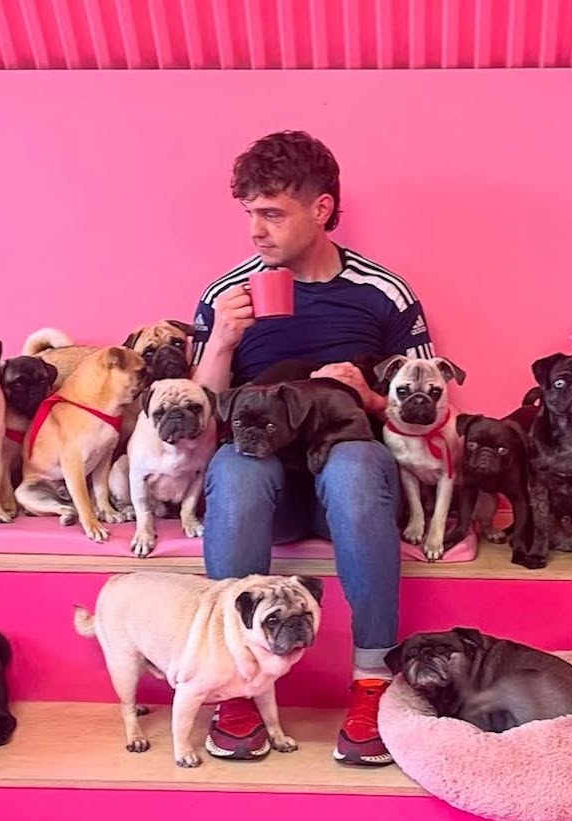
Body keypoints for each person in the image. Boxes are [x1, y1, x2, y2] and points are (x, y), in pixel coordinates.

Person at [190, 130, 435, 766]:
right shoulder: (228, 296)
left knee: (355, 463)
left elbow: (430, 408)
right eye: (249, 214)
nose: (256, 232)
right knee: (239, 468)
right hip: (265, 491)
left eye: (272, 214)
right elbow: (197, 419)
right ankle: (233, 684)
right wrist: (219, 343)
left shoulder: (383, 293)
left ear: (321, 209)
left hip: (349, 490)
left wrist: (370, 396)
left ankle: (374, 681)